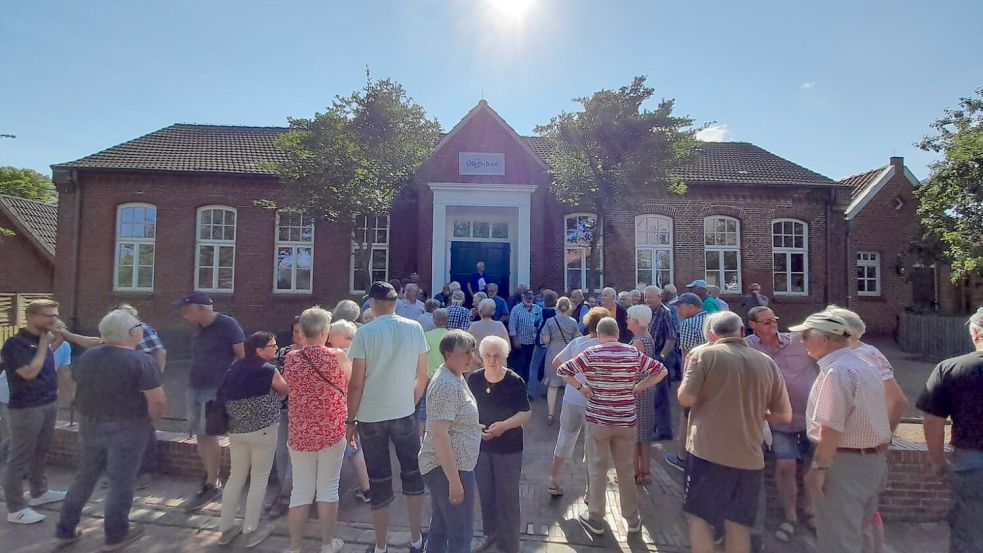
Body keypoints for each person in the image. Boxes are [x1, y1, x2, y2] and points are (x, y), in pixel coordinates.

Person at [678, 311, 792, 553]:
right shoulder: (766, 362)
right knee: (738, 525)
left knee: (700, 520)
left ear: (711, 334)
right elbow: (784, 414)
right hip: (750, 456)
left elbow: (686, 398)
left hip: (708, 453)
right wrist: (752, 410)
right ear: (742, 331)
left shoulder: (703, 354)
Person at [52, 309, 166, 550]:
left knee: (84, 477)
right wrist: (151, 421)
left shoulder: (88, 357)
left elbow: (75, 384)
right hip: (128, 426)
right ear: (133, 332)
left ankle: (65, 529)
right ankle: (116, 535)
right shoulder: (141, 360)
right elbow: (157, 400)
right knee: (121, 482)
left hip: (90, 422)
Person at [557, 317, 667, 536]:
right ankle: (632, 519)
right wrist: (637, 387)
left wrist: (581, 387)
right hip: (626, 419)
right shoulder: (632, 353)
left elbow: (562, 370)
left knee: (597, 469)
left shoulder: (591, 353)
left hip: (598, 419)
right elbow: (660, 371)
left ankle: (596, 517)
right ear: (617, 333)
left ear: (598, 335)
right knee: (625, 469)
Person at [792, 312, 891, 553]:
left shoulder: (836, 372)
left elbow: (832, 427)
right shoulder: (865, 365)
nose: (801, 341)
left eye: (805, 336)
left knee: (839, 541)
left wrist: (819, 469)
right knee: (862, 534)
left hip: (844, 464)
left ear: (824, 340)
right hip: (872, 461)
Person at [347, 281, 429, 553]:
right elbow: (422, 376)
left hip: (371, 416)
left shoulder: (365, 333)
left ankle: (380, 545)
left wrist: (350, 419)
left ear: (372, 303)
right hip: (403, 412)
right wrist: (411, 402)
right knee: (413, 475)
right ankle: (416, 538)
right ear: (397, 302)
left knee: (379, 480)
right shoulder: (415, 328)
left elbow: (356, 383)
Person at [745, 306, 818, 543]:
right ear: (753, 325)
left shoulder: (798, 341)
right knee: (785, 466)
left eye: (773, 320)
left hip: (810, 418)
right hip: (777, 421)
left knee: (813, 467)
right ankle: (790, 516)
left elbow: (825, 356)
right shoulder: (748, 347)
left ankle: (811, 511)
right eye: (765, 322)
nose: (772, 324)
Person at [283, 307, 352, 553]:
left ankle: (294, 545)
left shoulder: (291, 358)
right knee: (328, 488)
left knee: (301, 490)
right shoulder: (339, 356)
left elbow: (290, 386)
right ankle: (326, 543)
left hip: (300, 430)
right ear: (324, 331)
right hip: (331, 430)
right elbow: (349, 385)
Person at [917, 306, 983, 553]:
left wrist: (938, 462)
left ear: (975, 333)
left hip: (972, 467)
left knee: (970, 539)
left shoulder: (950, 368)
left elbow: (933, 421)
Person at [174, 291, 245, 512]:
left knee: (209, 434)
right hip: (194, 387)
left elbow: (241, 356)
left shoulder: (228, 325)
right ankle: (210, 478)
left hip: (215, 390)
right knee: (200, 435)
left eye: (187, 311)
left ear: (202, 308)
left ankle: (212, 482)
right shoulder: (199, 328)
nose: (184, 315)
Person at [217, 331, 288, 548]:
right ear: (259, 349)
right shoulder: (268, 369)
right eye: (272, 346)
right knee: (259, 478)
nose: (275, 349)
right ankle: (251, 529)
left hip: (237, 431)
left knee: (236, 476)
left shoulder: (234, 368)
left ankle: (226, 528)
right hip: (263, 431)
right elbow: (285, 390)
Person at [1, 299, 66, 524]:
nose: (54, 319)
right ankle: (16, 508)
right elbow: (29, 372)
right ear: (31, 317)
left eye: (55, 314)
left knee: (42, 450)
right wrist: (43, 345)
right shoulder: (14, 343)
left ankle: (39, 491)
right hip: (26, 408)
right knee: (18, 457)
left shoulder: (44, 339)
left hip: (48, 403)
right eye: (49, 315)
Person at [418, 330, 482, 553]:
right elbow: (438, 434)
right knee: (461, 532)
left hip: (451, 465)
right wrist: (455, 482)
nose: (470, 357)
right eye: (465, 352)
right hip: (449, 467)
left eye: (472, 351)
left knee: (442, 524)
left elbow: (452, 421)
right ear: (447, 353)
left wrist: (474, 429)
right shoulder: (446, 384)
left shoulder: (455, 375)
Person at [467, 336, 531, 553]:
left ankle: (510, 543)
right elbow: (466, 411)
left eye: (497, 356)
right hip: (481, 447)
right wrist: (476, 427)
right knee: (486, 493)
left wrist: (504, 426)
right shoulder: (474, 380)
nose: (492, 360)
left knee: (508, 496)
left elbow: (525, 413)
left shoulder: (514, 381)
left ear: (505, 357)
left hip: (509, 448)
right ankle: (490, 534)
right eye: (488, 356)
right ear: (481, 358)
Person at [546, 307, 608, 497]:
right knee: (593, 445)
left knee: (565, 437)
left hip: (572, 397)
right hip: (596, 401)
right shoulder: (608, 346)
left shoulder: (578, 342)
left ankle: (553, 480)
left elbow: (556, 362)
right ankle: (590, 490)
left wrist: (572, 380)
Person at [665, 292, 709, 472]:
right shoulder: (713, 319)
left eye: (680, 306)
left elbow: (687, 356)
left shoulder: (688, 324)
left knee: (687, 417)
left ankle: (682, 457)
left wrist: (685, 383)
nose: (678, 310)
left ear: (691, 306)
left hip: (697, 378)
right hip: (716, 376)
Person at [327, 320, 371, 504]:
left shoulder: (340, 355)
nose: (328, 338)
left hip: (341, 408)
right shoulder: (358, 353)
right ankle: (367, 488)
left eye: (331, 334)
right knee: (354, 448)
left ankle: (330, 492)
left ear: (340, 337)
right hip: (354, 407)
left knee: (350, 449)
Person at [269, 317, 305, 519]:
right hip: (282, 407)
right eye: (295, 331)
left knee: (294, 452)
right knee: (281, 450)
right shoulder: (284, 352)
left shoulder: (312, 353)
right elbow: (277, 376)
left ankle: (287, 493)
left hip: (300, 410)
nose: (298, 335)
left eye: (302, 331)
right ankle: (283, 488)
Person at [626, 305, 658, 484]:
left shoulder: (639, 340)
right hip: (646, 388)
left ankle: (634, 472)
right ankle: (644, 472)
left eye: (629, 318)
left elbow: (633, 367)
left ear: (637, 321)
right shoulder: (646, 337)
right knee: (643, 435)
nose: (627, 320)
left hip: (637, 389)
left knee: (635, 434)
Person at [643, 285, 678, 440]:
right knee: (651, 395)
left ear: (659, 297)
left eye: (650, 297)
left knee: (661, 395)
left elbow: (671, 338)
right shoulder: (648, 312)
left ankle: (664, 431)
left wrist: (662, 356)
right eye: (645, 297)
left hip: (661, 357)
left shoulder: (665, 313)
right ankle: (653, 427)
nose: (647, 300)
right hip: (650, 356)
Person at [539, 296, 579, 425]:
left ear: (557, 307)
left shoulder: (550, 321)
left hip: (552, 353)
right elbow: (577, 338)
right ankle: (567, 414)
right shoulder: (573, 322)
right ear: (568, 308)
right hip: (567, 353)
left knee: (552, 385)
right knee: (569, 385)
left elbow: (544, 340)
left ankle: (550, 414)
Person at [421, 309, 450, 434]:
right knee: (446, 409)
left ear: (434, 320)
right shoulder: (452, 337)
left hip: (428, 377)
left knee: (424, 409)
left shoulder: (425, 336)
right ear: (447, 320)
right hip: (447, 378)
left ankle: (423, 437)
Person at [507, 289, 543, 388]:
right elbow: (512, 326)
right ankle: (519, 384)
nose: (529, 299)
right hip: (521, 342)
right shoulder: (516, 309)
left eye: (531, 298)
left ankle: (528, 385)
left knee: (530, 364)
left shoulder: (538, 309)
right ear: (523, 297)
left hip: (534, 342)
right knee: (521, 364)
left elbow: (541, 324)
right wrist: (514, 340)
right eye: (527, 298)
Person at [527, 289, 558, 400]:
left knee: (534, 367)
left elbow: (536, 325)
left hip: (540, 342)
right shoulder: (557, 313)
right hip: (553, 342)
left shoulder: (541, 311)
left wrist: (535, 336)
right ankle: (547, 391)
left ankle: (531, 392)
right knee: (548, 367)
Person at [467, 299, 510, 372]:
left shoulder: (473, 326)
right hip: (497, 367)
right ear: (494, 311)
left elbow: (467, 348)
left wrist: (480, 362)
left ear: (480, 311)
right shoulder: (500, 325)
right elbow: (508, 347)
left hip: (477, 367)